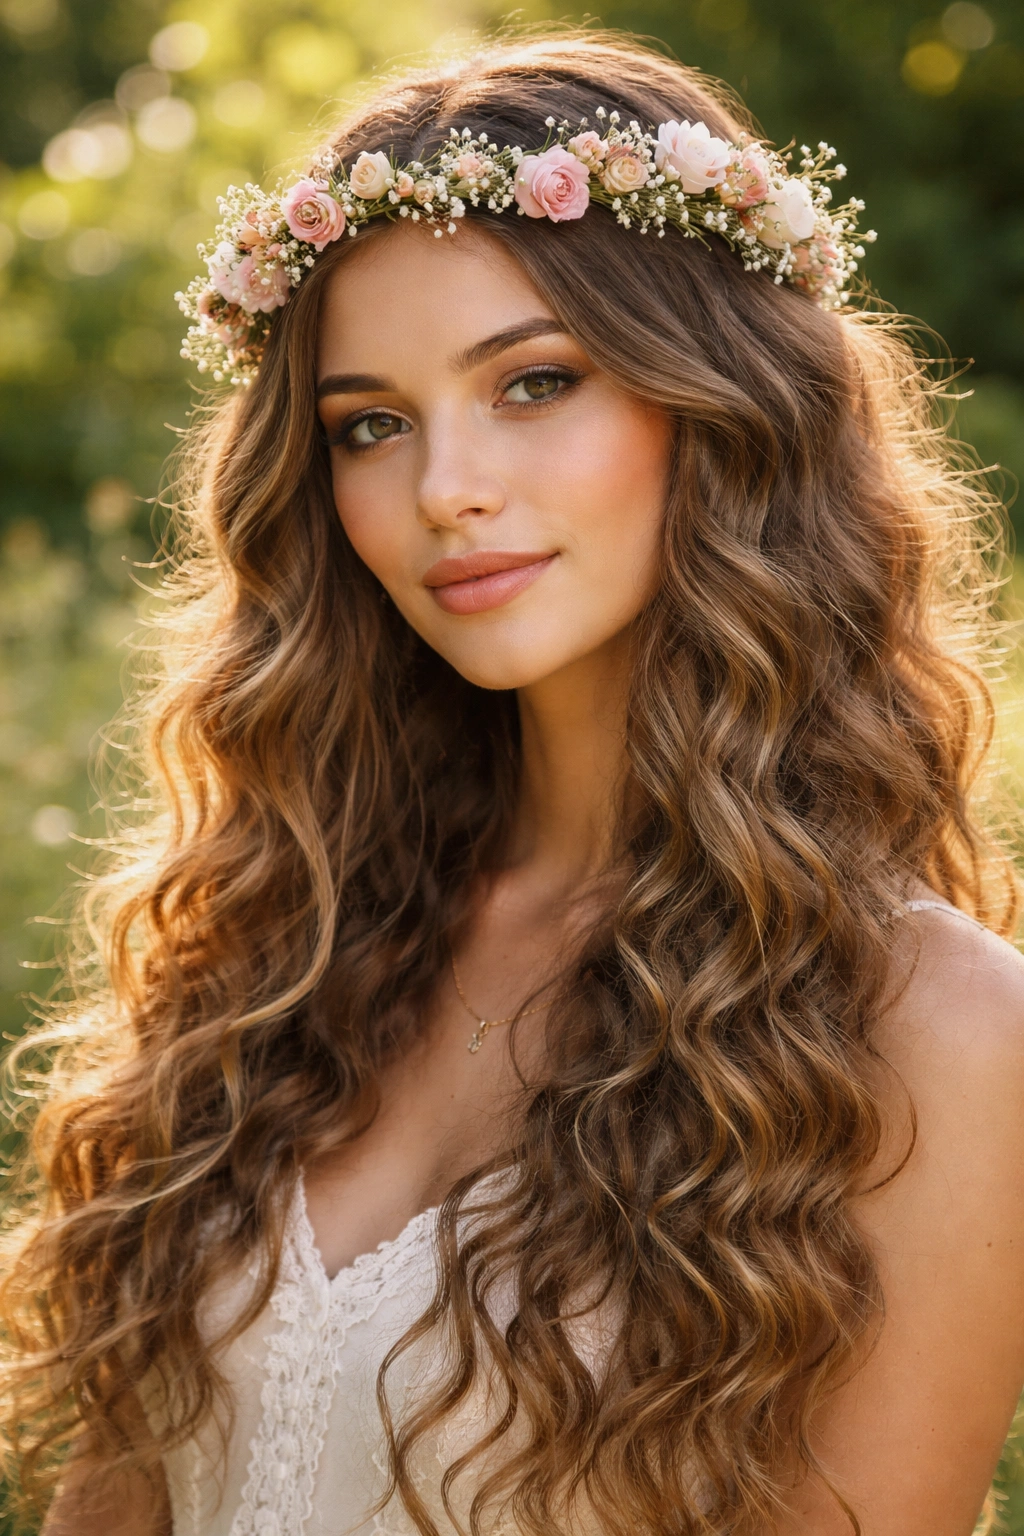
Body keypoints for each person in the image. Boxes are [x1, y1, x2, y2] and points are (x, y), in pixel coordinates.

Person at [3, 30, 1024, 1536]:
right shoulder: (273, 947)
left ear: (722, 402)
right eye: (372, 424)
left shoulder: (939, 1032)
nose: (444, 489)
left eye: (534, 382)